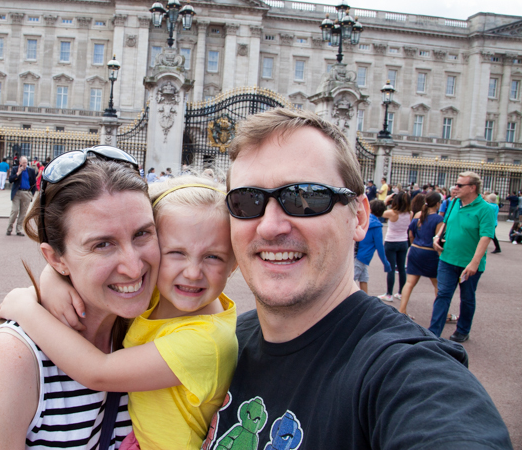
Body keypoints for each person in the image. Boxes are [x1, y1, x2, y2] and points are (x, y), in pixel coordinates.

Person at [202, 108, 511, 449]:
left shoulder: (405, 370)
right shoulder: (222, 341)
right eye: (246, 201)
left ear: (360, 217)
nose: (271, 226)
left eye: (305, 197)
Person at [0, 174, 238, 449]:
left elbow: (98, 371)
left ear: (234, 264)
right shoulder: (167, 295)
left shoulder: (208, 342)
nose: (193, 273)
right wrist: (52, 278)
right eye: (176, 253)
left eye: (213, 257)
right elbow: (76, 260)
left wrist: (26, 309)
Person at [0, 149, 153, 448]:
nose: (135, 266)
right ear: (55, 259)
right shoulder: (13, 356)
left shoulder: (159, 320)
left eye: (142, 234)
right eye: (102, 244)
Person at [429, 171, 496, 343]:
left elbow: (486, 236)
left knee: (466, 298)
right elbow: (446, 222)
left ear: (472, 188)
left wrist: (475, 262)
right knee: (443, 294)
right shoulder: (454, 202)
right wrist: (437, 237)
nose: (455, 187)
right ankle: (433, 332)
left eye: (460, 185)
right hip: (447, 258)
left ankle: (463, 330)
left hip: (469, 263)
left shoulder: (486, 209)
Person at [399, 192, 444, 319]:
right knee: (438, 285)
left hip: (415, 250)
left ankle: (402, 310)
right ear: (437, 203)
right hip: (429, 252)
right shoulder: (439, 219)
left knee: (409, 283)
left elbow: (411, 235)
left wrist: (415, 245)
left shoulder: (418, 216)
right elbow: (437, 238)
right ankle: (441, 313)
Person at [378, 191, 411, 302]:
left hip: (391, 241)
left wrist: (386, 200)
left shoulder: (392, 213)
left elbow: (377, 210)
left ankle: (389, 294)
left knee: (391, 268)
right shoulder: (410, 213)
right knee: (401, 268)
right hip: (403, 242)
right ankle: (401, 292)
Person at [354, 199, 391, 294]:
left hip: (356, 253)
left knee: (364, 278)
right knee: (351, 281)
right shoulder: (377, 227)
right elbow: (380, 247)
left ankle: (364, 301)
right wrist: (386, 263)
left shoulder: (364, 219)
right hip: (363, 256)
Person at [6, 156, 37, 236]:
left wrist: (31, 194)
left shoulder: (31, 170)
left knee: (23, 213)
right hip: (17, 193)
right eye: (23, 163)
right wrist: (18, 173)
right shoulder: (15, 169)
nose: (25, 164)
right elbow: (10, 180)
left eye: (26, 162)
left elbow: (34, 183)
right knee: (14, 211)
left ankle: (19, 229)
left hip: (26, 193)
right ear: (20, 163)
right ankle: (9, 228)